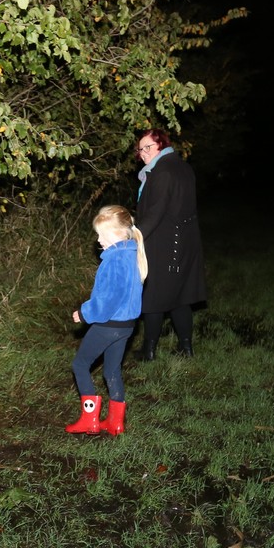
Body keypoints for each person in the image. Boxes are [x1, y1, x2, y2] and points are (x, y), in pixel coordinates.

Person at [66, 205, 148, 436]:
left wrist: (85, 313)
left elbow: (108, 299)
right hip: (126, 325)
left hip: (108, 324)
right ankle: (115, 423)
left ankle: (89, 420)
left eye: (102, 235)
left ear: (120, 233)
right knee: (111, 370)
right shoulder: (132, 254)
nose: (99, 240)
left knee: (80, 365)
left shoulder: (114, 260)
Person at [133, 129, 207, 359]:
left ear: (161, 144)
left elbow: (155, 212)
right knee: (179, 294)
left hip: (164, 242)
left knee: (153, 296)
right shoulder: (182, 166)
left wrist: (134, 238)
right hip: (185, 240)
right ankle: (186, 348)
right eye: (140, 149)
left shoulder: (162, 171)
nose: (143, 153)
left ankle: (149, 350)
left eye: (148, 147)